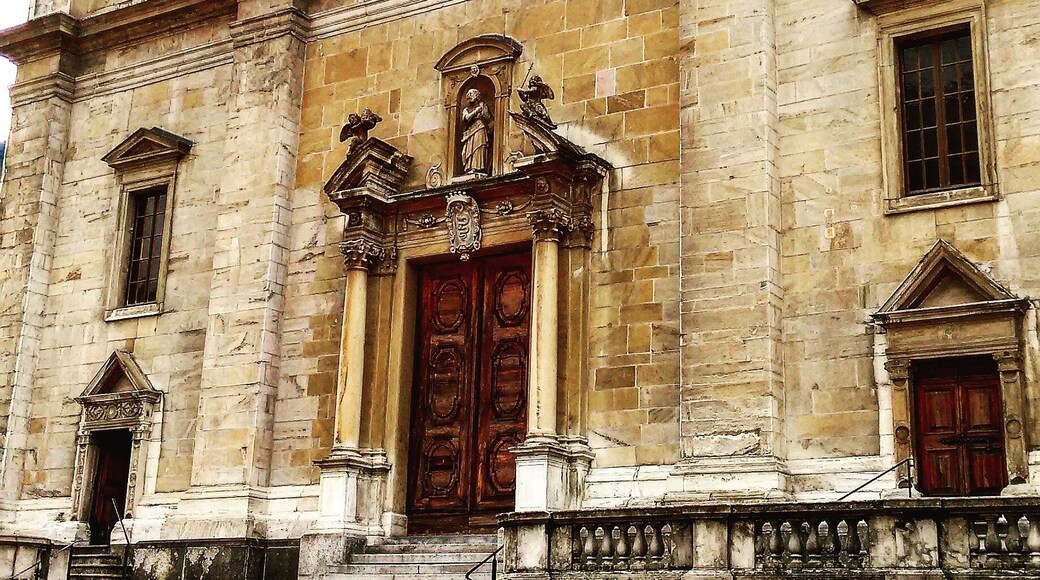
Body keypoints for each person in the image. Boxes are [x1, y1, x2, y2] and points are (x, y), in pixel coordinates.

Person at [460, 88, 492, 175]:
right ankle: (469, 167)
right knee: (468, 149)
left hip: (480, 128)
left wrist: (482, 112)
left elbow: (488, 117)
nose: (468, 96)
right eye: (467, 94)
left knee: (479, 146)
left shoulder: (483, 105)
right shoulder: (466, 109)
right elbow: (466, 118)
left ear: (477, 96)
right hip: (469, 132)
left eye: (471, 94)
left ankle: (477, 167)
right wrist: (475, 112)